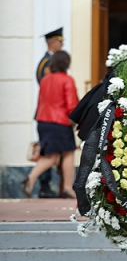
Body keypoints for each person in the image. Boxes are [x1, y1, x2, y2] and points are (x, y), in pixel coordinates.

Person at [23, 51, 79, 199]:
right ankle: (67, 188)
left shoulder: (45, 80)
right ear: (66, 63)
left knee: (50, 156)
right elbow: (71, 106)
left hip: (43, 122)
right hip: (60, 122)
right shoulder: (67, 80)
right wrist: (80, 120)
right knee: (68, 153)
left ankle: (30, 179)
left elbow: (41, 102)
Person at [34, 27, 65, 198]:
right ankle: (43, 185)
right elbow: (47, 86)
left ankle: (47, 185)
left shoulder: (51, 61)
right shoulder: (47, 63)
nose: (61, 45)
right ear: (52, 42)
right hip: (50, 113)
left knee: (53, 151)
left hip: (51, 113)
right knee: (48, 151)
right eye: (60, 41)